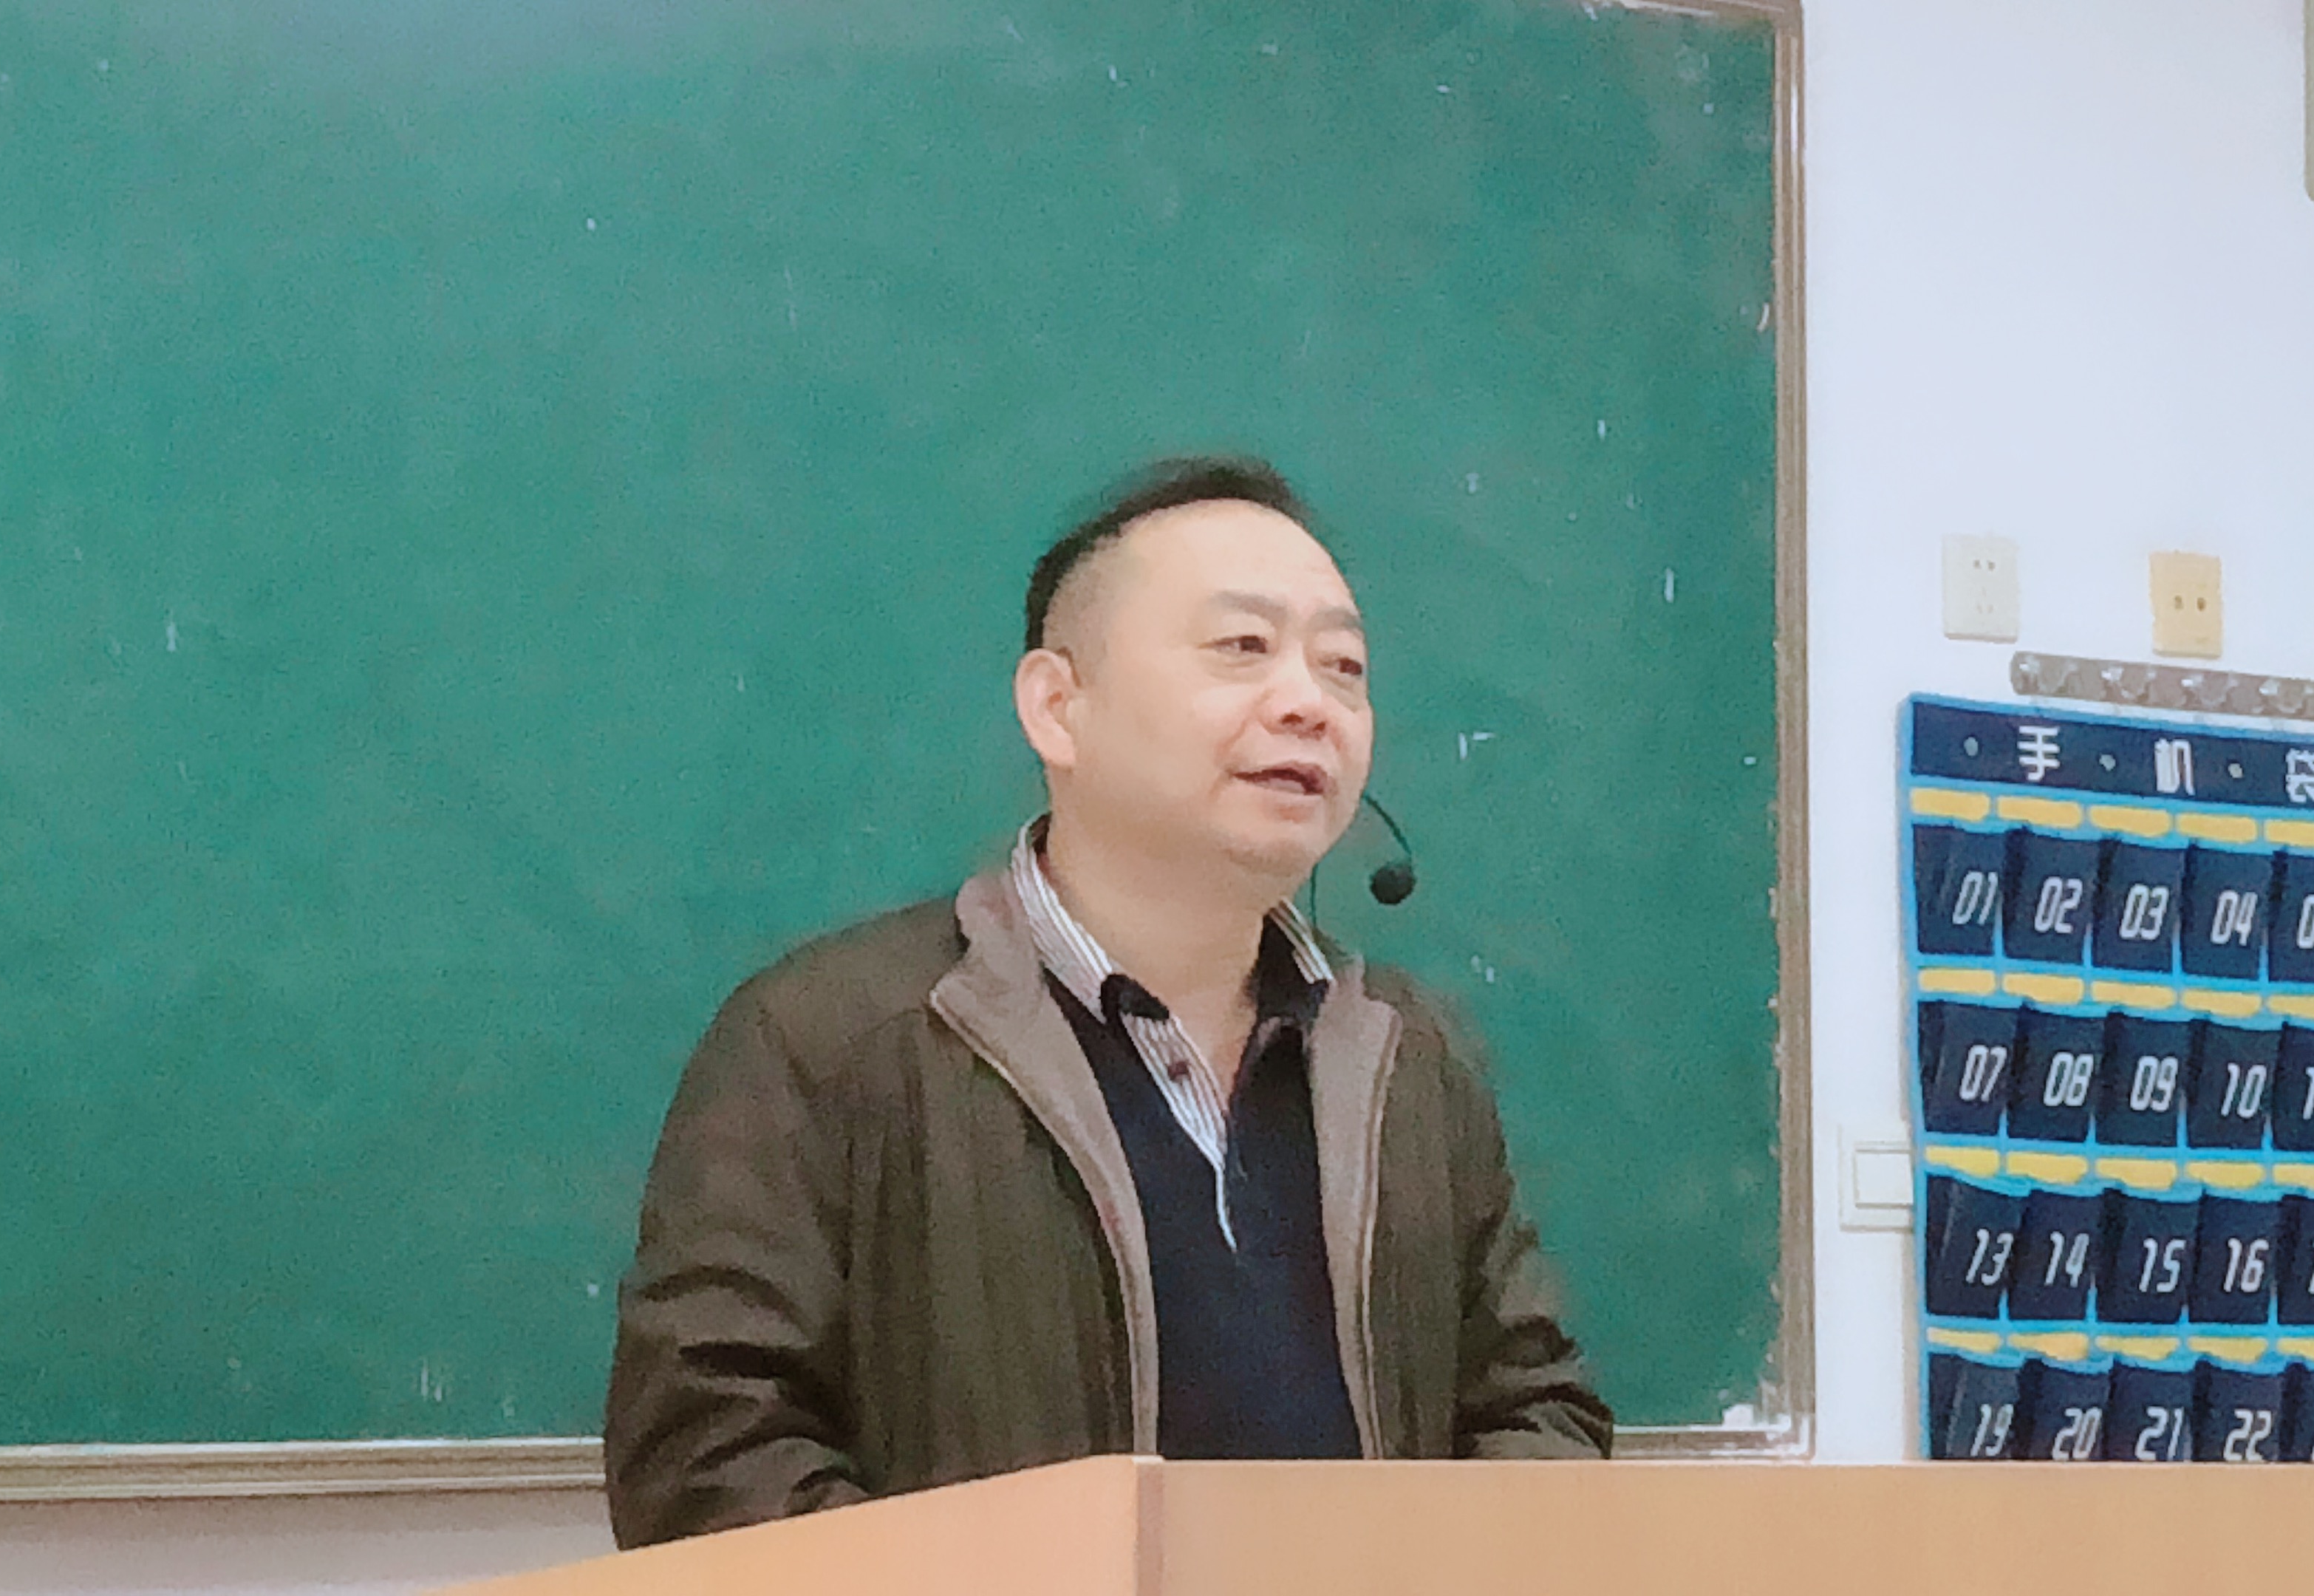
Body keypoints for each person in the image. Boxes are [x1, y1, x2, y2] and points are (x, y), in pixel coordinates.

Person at [604, 456, 1611, 1548]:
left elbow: (1538, 1411)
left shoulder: (1414, 1058)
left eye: (1344, 668)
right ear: (1058, 706)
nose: (1308, 704)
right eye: (1243, 646)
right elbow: (707, 1461)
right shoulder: (825, 1042)